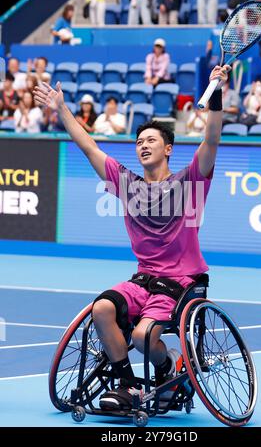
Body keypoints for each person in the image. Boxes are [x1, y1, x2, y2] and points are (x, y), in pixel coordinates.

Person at [33, 63, 229, 411]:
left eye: (151, 140)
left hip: (182, 282)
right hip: (143, 280)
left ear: (168, 148)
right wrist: (61, 109)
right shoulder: (128, 186)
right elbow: (90, 148)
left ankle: (170, 364)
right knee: (103, 308)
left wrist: (216, 92)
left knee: (142, 336)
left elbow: (211, 138)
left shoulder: (190, 182)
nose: (143, 145)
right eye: (139, 141)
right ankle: (126, 386)